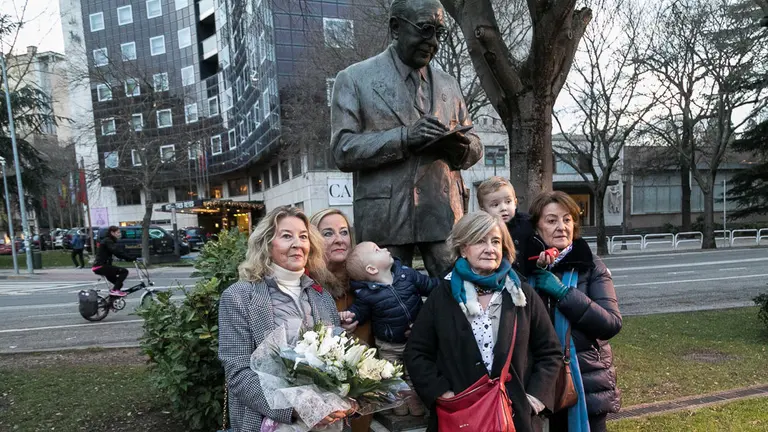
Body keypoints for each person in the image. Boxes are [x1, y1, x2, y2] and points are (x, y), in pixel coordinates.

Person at [330, 0, 482, 277]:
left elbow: (474, 141)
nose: (433, 42)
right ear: (396, 28)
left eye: (439, 32)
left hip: (443, 213)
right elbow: (342, 149)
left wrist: (462, 147)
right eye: (425, 30)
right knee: (387, 295)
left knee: (457, 292)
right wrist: (404, 137)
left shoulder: (448, 83)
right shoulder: (354, 79)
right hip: (386, 216)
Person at [404, 211, 563, 432]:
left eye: (496, 241)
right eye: (480, 241)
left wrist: (533, 400)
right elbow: (417, 353)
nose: (490, 249)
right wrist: (442, 394)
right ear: (463, 249)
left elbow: (550, 352)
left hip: (514, 419)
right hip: (460, 418)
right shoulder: (442, 296)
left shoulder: (521, 293)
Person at [218, 206, 350, 432]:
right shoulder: (239, 296)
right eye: (287, 236)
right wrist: (297, 408)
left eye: (303, 237)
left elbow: (338, 362)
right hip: (269, 422)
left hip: (328, 423)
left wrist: (350, 394)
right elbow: (238, 373)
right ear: (267, 244)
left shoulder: (322, 296)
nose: (298, 244)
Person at [526, 191, 622, 432]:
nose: (561, 227)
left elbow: (610, 323)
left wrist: (563, 294)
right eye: (552, 220)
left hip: (586, 384)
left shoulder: (591, 266)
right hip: (539, 383)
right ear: (536, 228)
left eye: (567, 219)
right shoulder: (526, 270)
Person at [339, 241, 440, 416]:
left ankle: (415, 401)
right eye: (377, 250)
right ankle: (399, 404)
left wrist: (448, 282)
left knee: (414, 372)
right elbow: (359, 312)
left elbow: (432, 286)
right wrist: (350, 316)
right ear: (372, 269)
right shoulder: (366, 294)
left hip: (414, 341)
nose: (385, 249)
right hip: (388, 345)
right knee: (392, 375)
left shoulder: (407, 275)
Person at [309, 208, 374, 432]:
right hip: (322, 402)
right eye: (328, 233)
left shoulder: (366, 278)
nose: (339, 239)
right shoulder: (306, 284)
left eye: (344, 232)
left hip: (367, 392)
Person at [476, 176, 534, 266]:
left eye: (508, 202)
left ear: (515, 202)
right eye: (495, 205)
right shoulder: (480, 230)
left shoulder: (528, 223)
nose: (503, 208)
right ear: (483, 209)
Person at [92, 226, 134, 297]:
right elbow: (116, 251)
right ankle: (114, 291)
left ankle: (111, 301)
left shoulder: (109, 240)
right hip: (100, 266)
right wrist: (130, 258)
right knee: (124, 271)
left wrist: (128, 258)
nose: (120, 234)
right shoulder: (108, 241)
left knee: (119, 284)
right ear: (112, 233)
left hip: (102, 266)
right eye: (118, 232)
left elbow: (118, 253)